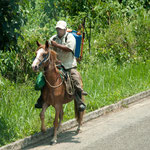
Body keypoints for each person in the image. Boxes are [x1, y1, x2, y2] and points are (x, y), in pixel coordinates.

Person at [35, 20, 87, 111]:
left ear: (65, 29)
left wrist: (56, 45)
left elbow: (69, 49)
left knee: (76, 79)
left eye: (61, 29)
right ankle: (42, 99)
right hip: (57, 65)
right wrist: (41, 48)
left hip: (69, 65)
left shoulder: (70, 38)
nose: (59, 31)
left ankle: (79, 102)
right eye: (58, 29)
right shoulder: (53, 38)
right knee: (43, 78)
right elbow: (47, 48)